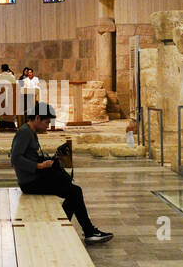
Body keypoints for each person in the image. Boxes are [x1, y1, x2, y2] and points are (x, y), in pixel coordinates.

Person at [11, 103, 113, 244]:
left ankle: (77, 229)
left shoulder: (31, 132)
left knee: (73, 191)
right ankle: (83, 231)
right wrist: (40, 165)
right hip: (30, 182)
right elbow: (15, 158)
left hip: (35, 177)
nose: (48, 126)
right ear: (37, 118)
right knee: (74, 192)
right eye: (46, 122)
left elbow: (29, 156)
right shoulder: (24, 133)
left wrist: (52, 159)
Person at [0, 64, 17, 129]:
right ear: (8, 69)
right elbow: (15, 88)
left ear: (1, 69)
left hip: (0, 103)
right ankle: (10, 123)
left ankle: (3, 122)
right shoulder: (12, 77)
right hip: (11, 103)